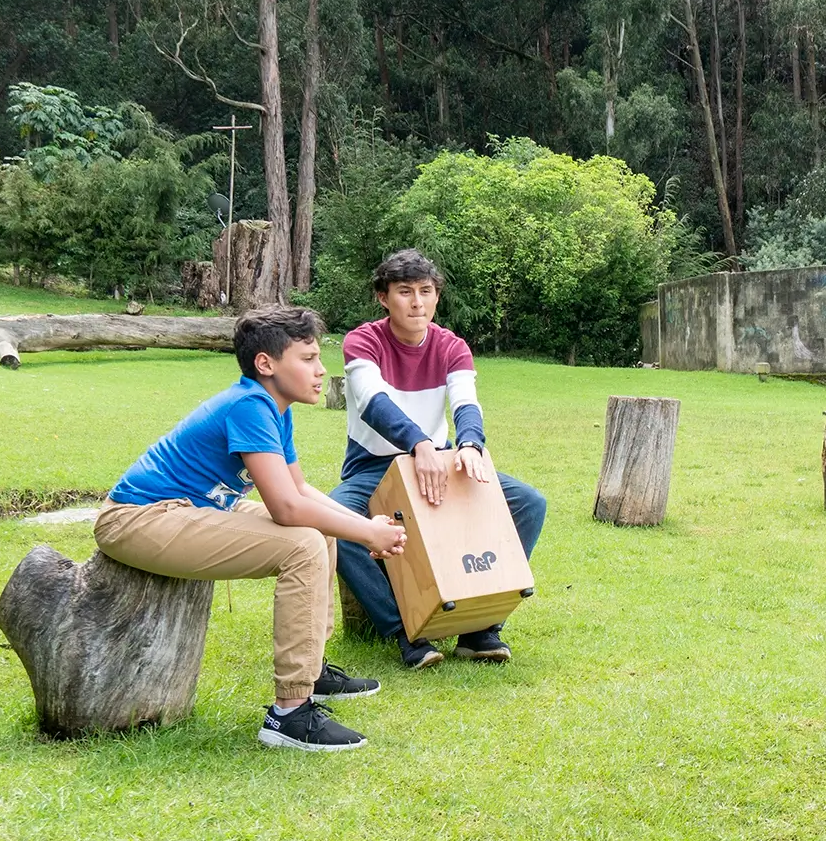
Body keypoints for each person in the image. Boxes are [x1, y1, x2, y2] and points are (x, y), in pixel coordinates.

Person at [94, 305, 404, 753]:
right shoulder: (250, 405)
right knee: (303, 544)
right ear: (267, 364)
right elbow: (286, 507)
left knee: (324, 531)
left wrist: (361, 525)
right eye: (309, 358)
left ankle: (312, 670)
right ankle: (289, 715)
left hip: (191, 509)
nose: (321, 371)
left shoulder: (275, 408)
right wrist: (369, 535)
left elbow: (298, 489)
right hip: (140, 518)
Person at [330, 249, 548, 668]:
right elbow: (373, 402)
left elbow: (466, 401)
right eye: (405, 292)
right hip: (374, 466)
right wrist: (420, 444)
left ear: (436, 297)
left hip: (439, 462)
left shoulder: (452, 346)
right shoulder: (363, 341)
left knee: (528, 502)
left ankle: (480, 626)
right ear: (383, 298)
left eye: (426, 292)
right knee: (337, 520)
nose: (417, 302)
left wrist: (469, 444)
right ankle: (406, 631)